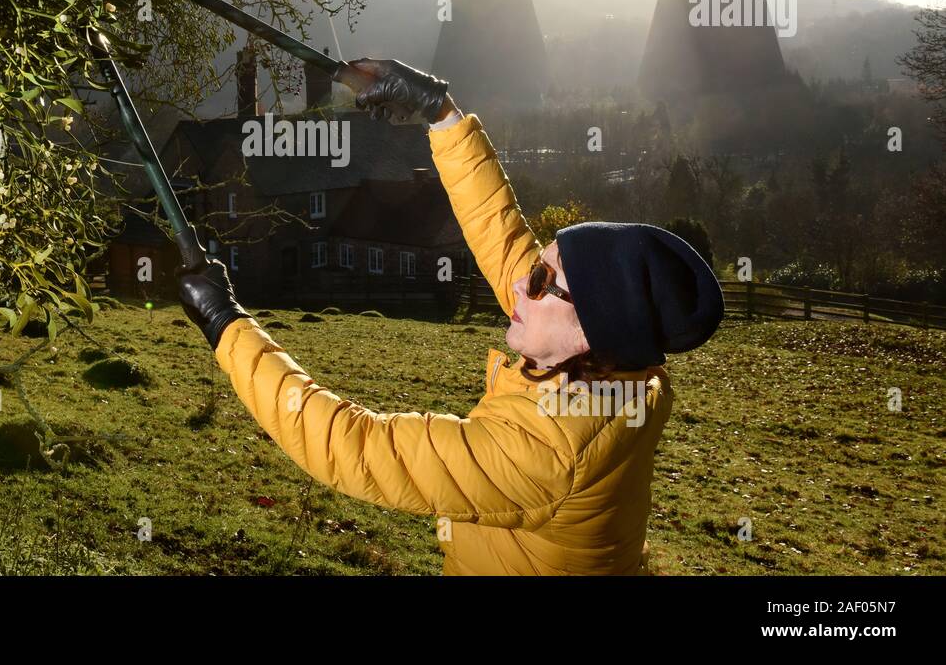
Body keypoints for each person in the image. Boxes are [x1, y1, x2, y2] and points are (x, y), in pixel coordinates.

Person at [177, 59, 724, 574]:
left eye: (540, 280)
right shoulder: (625, 368)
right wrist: (440, 112)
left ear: (589, 331)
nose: (517, 282)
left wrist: (226, 324)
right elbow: (501, 234)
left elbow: (355, 446)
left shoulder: (544, 454)